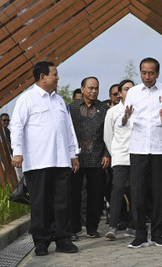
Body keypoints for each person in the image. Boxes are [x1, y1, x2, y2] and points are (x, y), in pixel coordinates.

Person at [9, 61, 80, 256]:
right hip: (37, 161)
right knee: (40, 204)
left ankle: (63, 239)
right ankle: (41, 242)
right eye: (54, 74)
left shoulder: (59, 101)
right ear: (43, 77)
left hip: (61, 161)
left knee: (63, 202)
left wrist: (73, 154)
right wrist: (18, 152)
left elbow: (68, 129)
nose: (58, 78)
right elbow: (16, 126)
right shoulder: (27, 99)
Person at [119, 57, 162, 249]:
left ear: (157, 73)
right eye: (144, 73)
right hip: (138, 149)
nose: (147, 76)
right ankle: (139, 235)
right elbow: (124, 122)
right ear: (140, 73)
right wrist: (126, 117)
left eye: (151, 73)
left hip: (160, 148)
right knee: (137, 193)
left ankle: (157, 234)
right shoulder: (134, 92)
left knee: (158, 192)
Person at [68, 76, 110, 239]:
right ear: (83, 89)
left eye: (96, 88)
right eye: (91, 88)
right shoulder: (71, 108)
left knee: (96, 195)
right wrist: (71, 155)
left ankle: (92, 228)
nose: (94, 91)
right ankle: (74, 228)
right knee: (74, 195)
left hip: (98, 158)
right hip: (76, 159)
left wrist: (107, 154)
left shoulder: (104, 108)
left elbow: (108, 134)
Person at [103, 79, 135, 240]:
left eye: (131, 88)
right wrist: (114, 153)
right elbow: (108, 136)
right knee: (117, 190)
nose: (129, 92)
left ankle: (132, 225)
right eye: (126, 89)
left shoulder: (141, 110)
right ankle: (113, 225)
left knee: (136, 191)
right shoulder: (113, 112)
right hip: (120, 157)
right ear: (120, 93)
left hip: (138, 157)